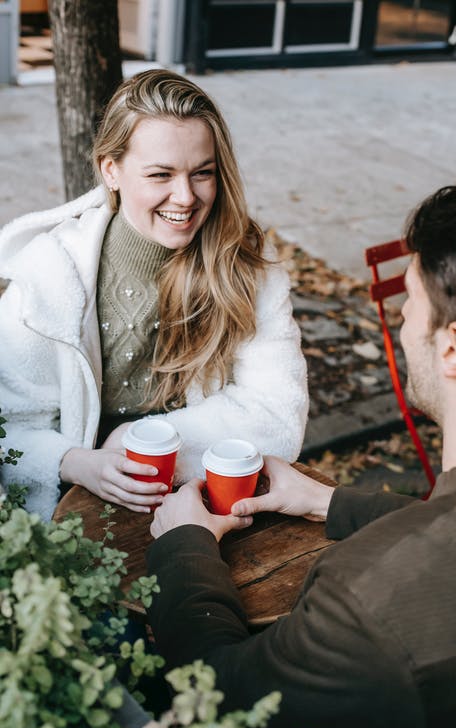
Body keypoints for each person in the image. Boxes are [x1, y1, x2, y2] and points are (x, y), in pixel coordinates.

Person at [145, 172, 456, 728]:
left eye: (410, 303)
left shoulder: (367, 601)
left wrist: (182, 544)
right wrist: (329, 501)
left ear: (455, 347)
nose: (403, 321)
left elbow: (224, 700)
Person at [0, 69, 308, 522]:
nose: (184, 197)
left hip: (209, 510)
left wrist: (140, 437)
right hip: (73, 518)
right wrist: (76, 462)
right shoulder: (49, 276)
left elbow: (278, 417)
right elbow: (11, 427)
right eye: (161, 174)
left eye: (202, 173)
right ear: (112, 170)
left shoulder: (246, 265)